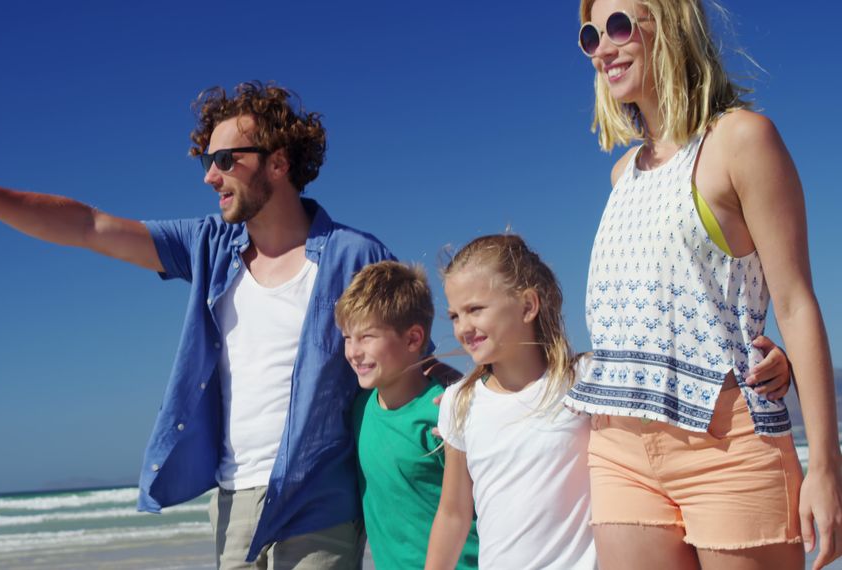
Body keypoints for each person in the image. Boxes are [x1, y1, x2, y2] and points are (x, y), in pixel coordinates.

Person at [0, 82, 394, 569]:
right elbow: (89, 226)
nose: (209, 177)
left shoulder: (355, 257)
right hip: (234, 498)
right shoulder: (209, 247)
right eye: (206, 161)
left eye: (223, 160)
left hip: (320, 498)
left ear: (278, 162)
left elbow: (404, 361)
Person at [563, 2, 842, 569]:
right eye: (591, 36)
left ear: (670, 27)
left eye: (619, 27)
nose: (602, 49)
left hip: (730, 447)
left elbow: (795, 301)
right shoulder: (623, 175)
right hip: (619, 451)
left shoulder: (742, 140)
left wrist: (827, 472)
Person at [425, 234, 597, 569]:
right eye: (455, 316)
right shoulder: (460, 402)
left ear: (528, 306)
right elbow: (453, 514)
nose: (463, 327)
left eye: (475, 309)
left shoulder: (584, 380)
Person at [335, 261, 479, 569]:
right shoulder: (359, 409)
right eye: (348, 337)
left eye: (367, 337)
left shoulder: (443, 411)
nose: (353, 351)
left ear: (414, 339)